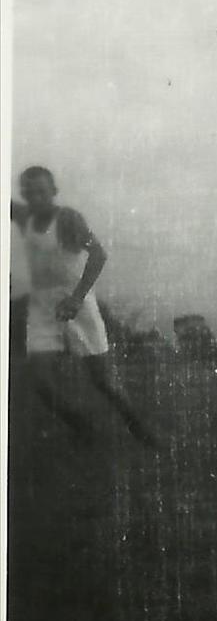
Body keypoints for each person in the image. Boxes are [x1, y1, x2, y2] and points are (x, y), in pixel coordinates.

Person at [10, 165, 155, 447]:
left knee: (103, 380)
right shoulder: (25, 215)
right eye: (29, 192)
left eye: (41, 191)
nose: (35, 197)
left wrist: (77, 298)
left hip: (76, 300)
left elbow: (98, 254)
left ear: (53, 191)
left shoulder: (68, 219)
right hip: (42, 306)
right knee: (40, 380)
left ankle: (140, 429)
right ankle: (84, 427)